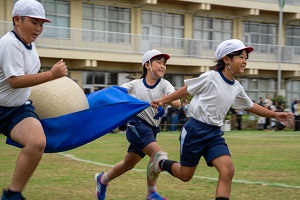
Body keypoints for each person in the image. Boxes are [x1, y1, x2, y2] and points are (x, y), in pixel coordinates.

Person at [148, 39, 294, 200]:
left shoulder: (236, 87)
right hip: (195, 130)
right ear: (226, 59)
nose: (245, 61)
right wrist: (163, 100)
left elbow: (250, 105)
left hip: (214, 133)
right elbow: (186, 90)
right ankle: (161, 163)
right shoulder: (211, 77)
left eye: (246, 58)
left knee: (227, 170)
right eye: (241, 57)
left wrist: (275, 115)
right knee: (185, 175)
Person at [0, 0, 68, 199]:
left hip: (16, 108)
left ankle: (13, 194)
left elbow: (27, 80)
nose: (38, 28)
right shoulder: (10, 43)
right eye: (34, 22)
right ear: (17, 20)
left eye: (42, 24)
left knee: (37, 142)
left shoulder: (29, 45)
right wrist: (52, 75)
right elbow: (15, 81)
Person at [94, 49, 181, 200]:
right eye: (158, 62)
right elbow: (117, 92)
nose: (163, 66)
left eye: (164, 63)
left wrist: (165, 99)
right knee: (158, 155)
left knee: (128, 164)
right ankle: (151, 193)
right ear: (147, 65)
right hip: (136, 125)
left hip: (152, 130)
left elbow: (178, 103)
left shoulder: (165, 85)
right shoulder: (135, 84)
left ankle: (103, 179)